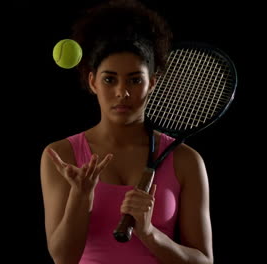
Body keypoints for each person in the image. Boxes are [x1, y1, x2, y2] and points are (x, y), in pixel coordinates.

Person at [40, 0, 213, 263]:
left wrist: (149, 233)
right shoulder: (61, 156)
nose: (123, 92)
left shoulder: (186, 161)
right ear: (92, 82)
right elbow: (63, 258)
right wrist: (80, 196)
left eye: (135, 79)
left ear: (152, 83)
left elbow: (203, 261)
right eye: (110, 79)